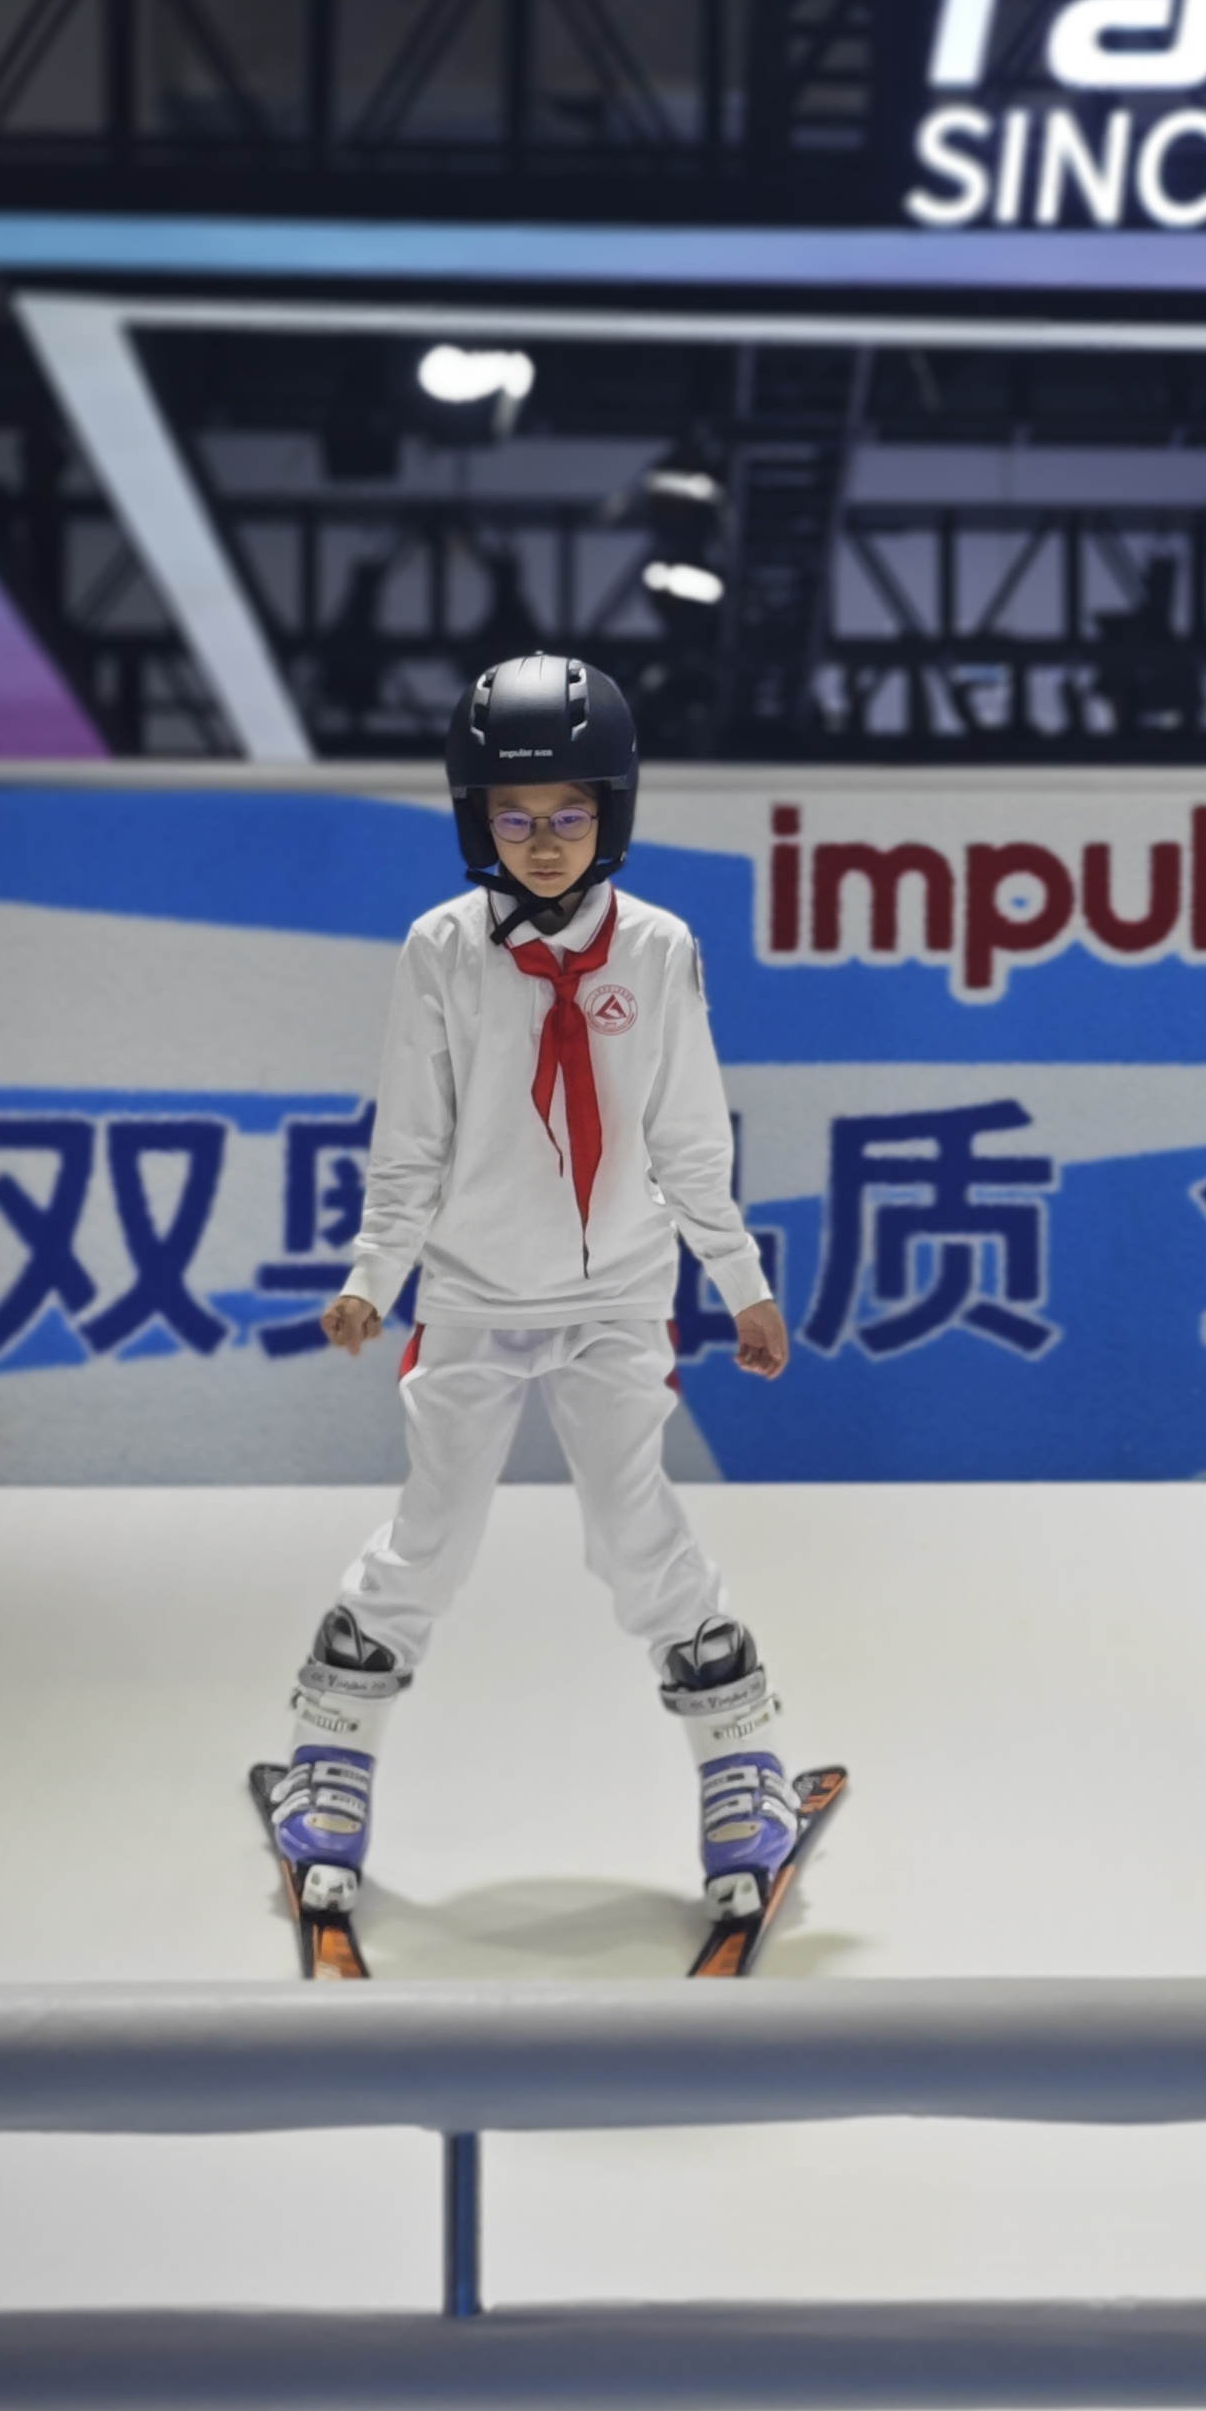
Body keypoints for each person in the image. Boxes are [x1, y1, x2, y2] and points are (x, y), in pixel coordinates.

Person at [268, 651, 799, 1927]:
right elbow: (412, 1137)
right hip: (470, 1300)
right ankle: (331, 1749)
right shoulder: (441, 951)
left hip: (618, 1300)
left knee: (635, 1532)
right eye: (515, 818)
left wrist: (739, 1282)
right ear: (475, 821)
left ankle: (742, 1763)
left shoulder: (658, 949)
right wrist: (371, 1277)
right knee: (433, 1534)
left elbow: (688, 1136)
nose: (545, 842)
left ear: (612, 812)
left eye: (569, 814)